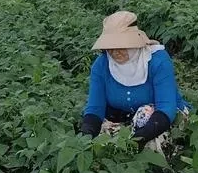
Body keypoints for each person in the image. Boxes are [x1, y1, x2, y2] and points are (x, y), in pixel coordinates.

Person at [78, 11, 190, 151]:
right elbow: (95, 108)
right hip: (124, 116)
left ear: (135, 43)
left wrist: (138, 139)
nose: (115, 52)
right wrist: (86, 136)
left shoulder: (157, 61)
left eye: (121, 46)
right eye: (110, 47)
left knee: (145, 118)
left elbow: (166, 108)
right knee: (98, 139)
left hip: (161, 118)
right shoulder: (101, 66)